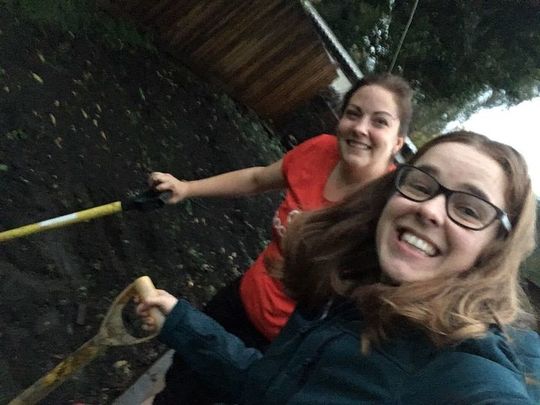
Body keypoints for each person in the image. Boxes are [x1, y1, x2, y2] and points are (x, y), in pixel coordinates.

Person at [138, 131, 540, 404]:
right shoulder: (348, 285)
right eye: (421, 185)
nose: (430, 210)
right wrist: (182, 323)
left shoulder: (460, 367)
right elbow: (273, 390)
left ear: (496, 248)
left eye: (469, 209)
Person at [147, 73, 413, 403]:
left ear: (398, 142)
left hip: (273, 345)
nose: (361, 128)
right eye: (354, 113)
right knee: (180, 372)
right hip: (240, 299)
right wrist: (187, 188)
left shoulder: (386, 210)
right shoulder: (319, 150)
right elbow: (258, 178)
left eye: (380, 121)